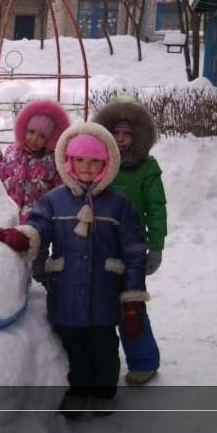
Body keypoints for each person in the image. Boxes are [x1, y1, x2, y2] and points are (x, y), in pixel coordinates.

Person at [0, 122, 148, 417]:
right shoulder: (53, 200)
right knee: (73, 346)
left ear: (107, 162)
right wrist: (22, 237)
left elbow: (134, 251)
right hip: (67, 292)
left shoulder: (118, 205)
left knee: (104, 346)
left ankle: (103, 392)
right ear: (67, 161)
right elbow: (38, 227)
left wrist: (133, 298)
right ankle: (77, 390)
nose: (86, 167)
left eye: (94, 160)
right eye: (80, 159)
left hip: (104, 294)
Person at [93, 94, 167, 385]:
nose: (122, 140)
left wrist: (156, 247)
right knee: (97, 305)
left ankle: (144, 360)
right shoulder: (96, 161)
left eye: (128, 134)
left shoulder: (146, 168)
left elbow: (156, 208)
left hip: (132, 248)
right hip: (97, 244)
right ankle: (99, 361)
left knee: (131, 305)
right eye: (116, 133)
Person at [0, 99, 70, 223]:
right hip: (10, 214)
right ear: (24, 129)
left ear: (50, 138)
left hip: (38, 218)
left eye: (42, 136)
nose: (35, 139)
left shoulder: (52, 160)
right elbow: (3, 175)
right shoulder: (13, 151)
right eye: (31, 132)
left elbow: (59, 189)